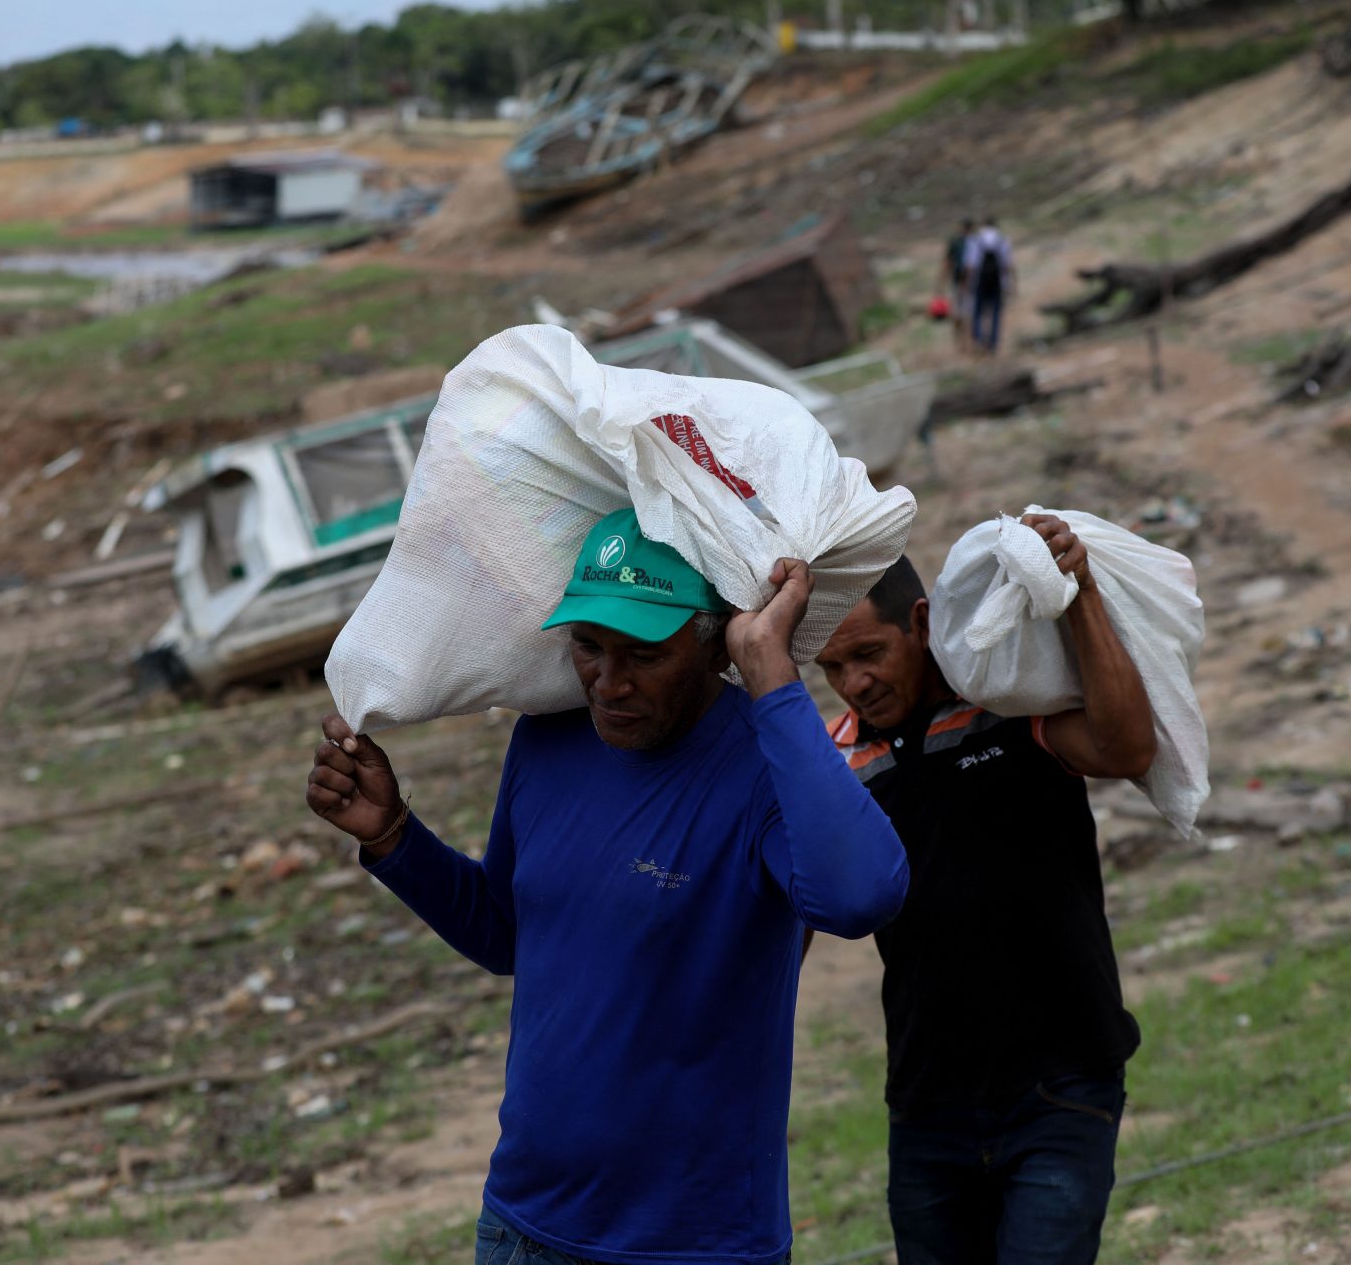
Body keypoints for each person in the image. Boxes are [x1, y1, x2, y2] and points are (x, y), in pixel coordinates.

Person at [308, 508, 909, 1265]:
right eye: (589, 648)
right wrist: (394, 837)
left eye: (643, 654)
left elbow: (861, 896)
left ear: (713, 641)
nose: (610, 681)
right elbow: (509, 936)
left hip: (694, 1242)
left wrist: (777, 682)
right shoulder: (548, 739)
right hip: (522, 1224)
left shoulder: (767, 760)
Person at [813, 513, 1155, 1265]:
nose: (855, 684)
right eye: (833, 670)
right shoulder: (836, 767)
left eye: (869, 654)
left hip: (1060, 1090)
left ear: (923, 623)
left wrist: (1081, 594)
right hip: (928, 1107)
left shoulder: (1008, 710)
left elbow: (1126, 747)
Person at [963, 217, 1017, 356]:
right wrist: (1011, 284)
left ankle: (979, 339)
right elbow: (1007, 265)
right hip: (996, 281)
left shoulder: (975, 240)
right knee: (996, 312)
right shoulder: (1002, 240)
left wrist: (968, 284)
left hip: (980, 281)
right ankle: (993, 343)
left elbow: (971, 266)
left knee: (978, 312)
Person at [940, 217, 976, 350]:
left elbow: (947, 263)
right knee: (967, 314)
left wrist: (941, 283)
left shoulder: (958, 242)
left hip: (960, 283)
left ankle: (961, 342)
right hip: (970, 285)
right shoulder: (973, 242)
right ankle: (966, 341)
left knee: (959, 314)